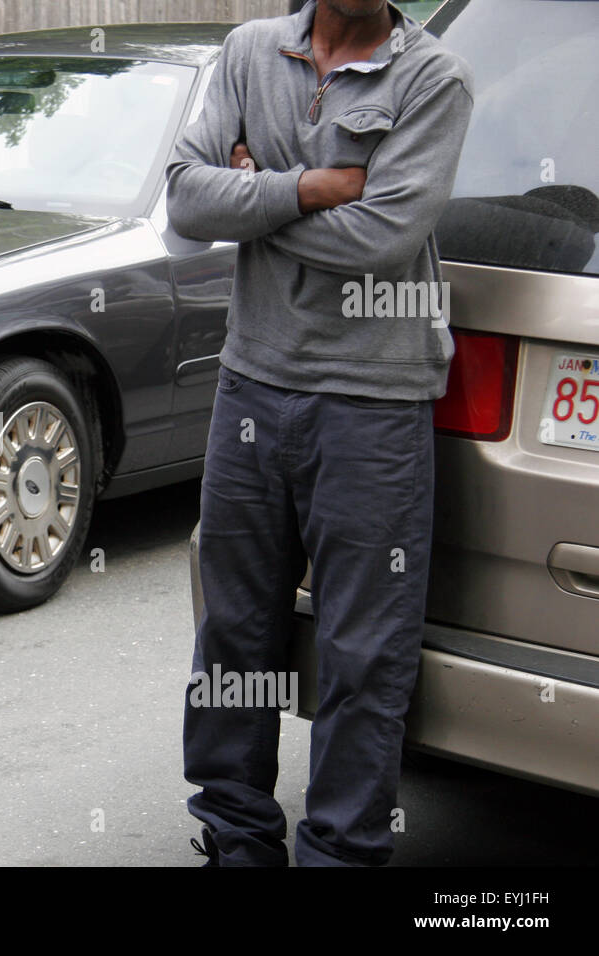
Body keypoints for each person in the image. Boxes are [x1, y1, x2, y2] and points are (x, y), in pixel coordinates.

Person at [167, 0, 472, 865]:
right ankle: (236, 837)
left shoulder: (433, 78)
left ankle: (340, 852)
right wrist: (309, 186)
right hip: (252, 382)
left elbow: (382, 238)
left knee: (360, 649)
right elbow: (186, 198)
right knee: (234, 631)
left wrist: (251, 191)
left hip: (373, 400)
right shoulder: (248, 51)